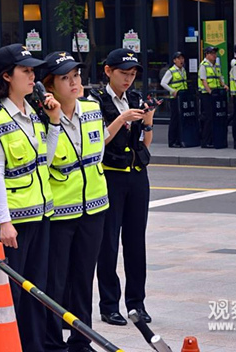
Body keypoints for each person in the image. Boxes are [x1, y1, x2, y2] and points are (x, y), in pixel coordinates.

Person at [0, 43, 61, 352]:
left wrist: (54, 123)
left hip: (41, 216)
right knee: (11, 293)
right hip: (14, 222)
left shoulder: (34, 115)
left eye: (33, 71)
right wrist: (4, 222)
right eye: (26, 71)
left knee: (37, 291)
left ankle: (35, 346)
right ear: (7, 76)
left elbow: (46, 160)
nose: (33, 77)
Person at [41, 51, 109, 352]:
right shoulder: (42, 118)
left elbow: (99, 149)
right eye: (65, 78)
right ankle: (52, 341)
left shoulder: (92, 108)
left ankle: (81, 341)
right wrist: (54, 120)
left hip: (94, 207)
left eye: (76, 76)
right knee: (55, 280)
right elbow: (44, 160)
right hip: (60, 211)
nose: (74, 82)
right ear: (49, 86)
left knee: (84, 277)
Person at [91, 48, 155, 327]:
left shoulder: (136, 98)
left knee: (136, 241)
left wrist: (148, 122)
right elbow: (97, 141)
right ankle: (109, 305)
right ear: (108, 71)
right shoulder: (95, 101)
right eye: (123, 73)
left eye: (132, 74)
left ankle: (136, 304)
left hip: (137, 176)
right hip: (110, 177)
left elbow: (144, 145)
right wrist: (121, 119)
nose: (128, 79)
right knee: (108, 243)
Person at [198, 47, 228, 148]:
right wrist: (210, 92)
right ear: (207, 55)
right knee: (208, 117)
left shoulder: (216, 65)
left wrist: (224, 85)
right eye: (212, 53)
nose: (214, 55)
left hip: (216, 94)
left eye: (215, 53)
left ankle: (213, 139)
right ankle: (205, 141)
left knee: (215, 117)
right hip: (207, 95)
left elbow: (219, 77)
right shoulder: (203, 65)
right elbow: (204, 81)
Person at [160, 51, 187, 148]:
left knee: (180, 120)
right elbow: (163, 83)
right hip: (175, 99)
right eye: (179, 58)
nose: (181, 60)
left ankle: (180, 140)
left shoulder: (183, 70)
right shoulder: (171, 71)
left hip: (182, 98)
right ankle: (172, 141)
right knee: (174, 120)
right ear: (174, 60)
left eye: (182, 58)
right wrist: (173, 91)